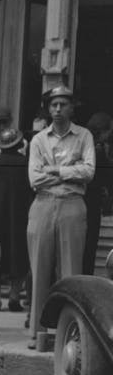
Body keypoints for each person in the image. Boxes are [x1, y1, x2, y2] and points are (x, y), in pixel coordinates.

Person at [26, 85, 95, 349]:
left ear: (72, 107)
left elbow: (88, 171)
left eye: (63, 104)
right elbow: (34, 178)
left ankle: (72, 333)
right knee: (40, 268)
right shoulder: (39, 140)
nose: (57, 109)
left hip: (72, 204)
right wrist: (69, 170)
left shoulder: (84, 136)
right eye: (53, 104)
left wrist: (53, 169)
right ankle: (38, 333)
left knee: (71, 271)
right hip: (42, 204)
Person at [0, 128, 32, 311]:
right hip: (19, 215)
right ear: (19, 144)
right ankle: (14, 298)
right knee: (18, 254)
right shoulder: (25, 163)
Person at [83, 112, 113, 275]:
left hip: (79, 199)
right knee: (89, 247)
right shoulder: (98, 151)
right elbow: (108, 177)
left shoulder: (82, 145)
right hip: (91, 202)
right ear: (103, 131)